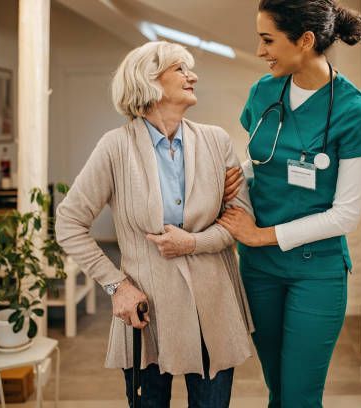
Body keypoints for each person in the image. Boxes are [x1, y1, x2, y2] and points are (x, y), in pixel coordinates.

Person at [55, 41, 254, 408]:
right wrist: (116, 286)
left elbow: (240, 220)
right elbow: (68, 222)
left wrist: (193, 243)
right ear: (149, 79)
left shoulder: (216, 141)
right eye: (180, 68)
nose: (192, 75)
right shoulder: (115, 147)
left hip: (214, 307)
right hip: (147, 314)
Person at [217, 1, 361, 406]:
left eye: (267, 40)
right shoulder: (264, 92)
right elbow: (263, 160)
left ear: (305, 40)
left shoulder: (353, 110)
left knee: (299, 396)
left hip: (317, 271)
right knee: (276, 388)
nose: (260, 52)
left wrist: (259, 236)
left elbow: (345, 215)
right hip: (259, 271)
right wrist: (234, 175)